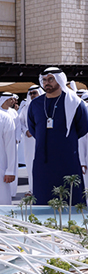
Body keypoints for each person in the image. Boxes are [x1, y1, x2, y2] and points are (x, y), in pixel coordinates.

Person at [27, 67, 88, 205]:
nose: (47, 83)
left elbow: (83, 127)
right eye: (44, 80)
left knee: (71, 198)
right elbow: (32, 127)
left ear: (60, 80)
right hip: (43, 159)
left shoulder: (75, 103)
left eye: (51, 79)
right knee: (43, 198)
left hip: (67, 159)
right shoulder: (35, 104)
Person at [19, 85, 42, 190]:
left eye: (34, 93)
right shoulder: (25, 108)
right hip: (29, 140)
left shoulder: (46, 106)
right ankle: (33, 189)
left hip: (43, 139)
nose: (32, 95)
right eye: (31, 93)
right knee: (30, 163)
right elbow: (21, 123)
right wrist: (26, 131)